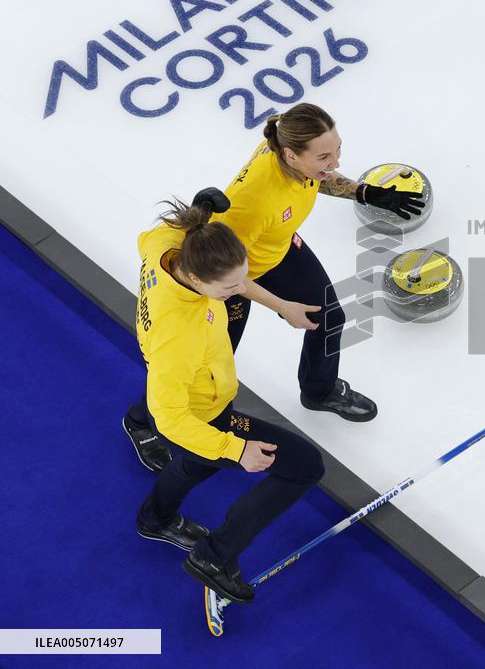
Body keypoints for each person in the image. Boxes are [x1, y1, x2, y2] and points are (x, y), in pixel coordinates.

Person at [122, 103, 423, 471]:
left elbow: (318, 177)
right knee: (198, 369)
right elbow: (227, 272)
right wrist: (281, 305)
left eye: (337, 149)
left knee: (329, 317)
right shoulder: (254, 201)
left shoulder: (291, 155)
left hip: (274, 248)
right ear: (290, 156)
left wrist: (365, 193)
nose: (336, 161)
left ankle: (319, 391)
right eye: (325, 155)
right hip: (232, 280)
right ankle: (141, 422)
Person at [131, 194, 325, 603]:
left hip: (207, 390)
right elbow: (168, 417)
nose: (240, 291)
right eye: (230, 287)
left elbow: (152, 237)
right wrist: (235, 449)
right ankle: (215, 557)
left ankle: (155, 518)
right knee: (305, 465)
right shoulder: (178, 333)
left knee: (192, 464)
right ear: (198, 282)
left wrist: (281, 305)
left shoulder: (167, 245)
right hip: (202, 415)